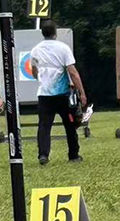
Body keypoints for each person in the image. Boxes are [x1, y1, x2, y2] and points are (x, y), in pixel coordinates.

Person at [29, 20, 86, 165]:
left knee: (44, 126)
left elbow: (34, 71)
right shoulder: (63, 48)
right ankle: (73, 155)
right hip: (63, 95)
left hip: (44, 95)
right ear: (55, 33)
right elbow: (72, 72)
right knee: (70, 124)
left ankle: (43, 155)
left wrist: (41, 79)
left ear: (43, 33)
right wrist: (82, 93)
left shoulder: (35, 50)